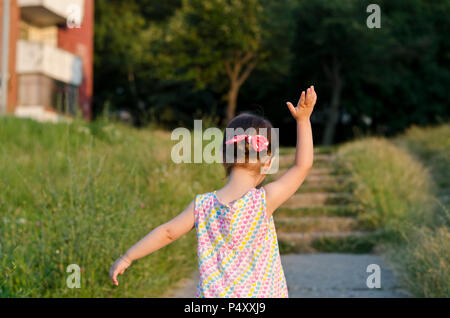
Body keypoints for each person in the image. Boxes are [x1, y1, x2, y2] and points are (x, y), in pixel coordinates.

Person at [109, 86, 317, 297]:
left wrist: (127, 257)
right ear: (267, 163)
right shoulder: (264, 201)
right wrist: (303, 120)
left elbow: (167, 233)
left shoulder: (203, 205)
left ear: (223, 157)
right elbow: (303, 165)